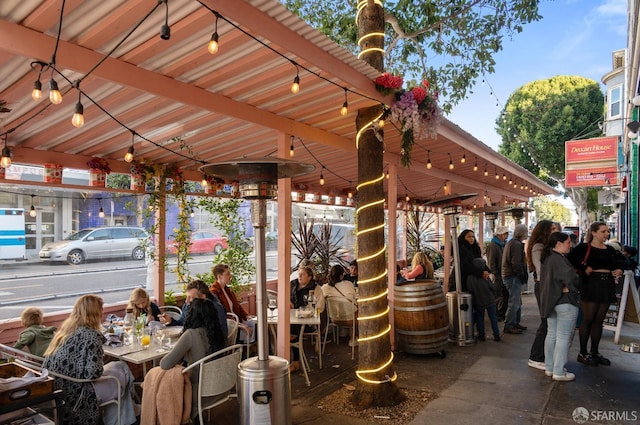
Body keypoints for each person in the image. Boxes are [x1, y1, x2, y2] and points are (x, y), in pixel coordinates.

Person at [43, 295, 137, 425]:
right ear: (96, 313)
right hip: (78, 395)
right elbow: (93, 374)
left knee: (118, 370)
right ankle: (126, 415)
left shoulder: (65, 330)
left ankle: (127, 414)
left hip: (58, 389)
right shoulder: (92, 336)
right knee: (122, 369)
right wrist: (99, 359)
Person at [568, 221, 623, 366]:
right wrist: (583, 267)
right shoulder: (584, 247)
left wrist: (619, 270)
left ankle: (595, 351)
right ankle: (583, 352)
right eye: (603, 231)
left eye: (607, 231)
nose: (606, 234)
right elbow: (570, 259)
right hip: (590, 283)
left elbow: (619, 263)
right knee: (588, 318)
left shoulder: (610, 249)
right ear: (593, 232)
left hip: (606, 284)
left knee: (599, 320)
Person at [160, 298, 227, 416]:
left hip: (198, 391)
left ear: (191, 315)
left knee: (157, 375)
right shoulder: (217, 333)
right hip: (221, 387)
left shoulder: (191, 334)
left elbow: (165, 364)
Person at [539, 232, 580, 381]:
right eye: (568, 242)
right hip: (565, 302)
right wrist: (573, 287)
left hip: (551, 302)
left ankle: (550, 367)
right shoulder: (558, 259)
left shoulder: (548, 258)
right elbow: (571, 278)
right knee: (563, 337)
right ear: (558, 244)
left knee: (552, 335)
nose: (570, 245)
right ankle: (558, 371)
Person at [526, 220, 556, 370]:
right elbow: (541, 269)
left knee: (548, 321)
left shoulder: (545, 246)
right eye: (553, 229)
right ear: (545, 231)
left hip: (546, 284)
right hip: (544, 285)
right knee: (545, 321)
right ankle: (536, 356)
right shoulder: (539, 247)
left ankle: (542, 355)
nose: (555, 231)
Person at [160, 279, 228, 336]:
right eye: (187, 296)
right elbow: (182, 322)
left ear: (203, 297)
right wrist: (170, 321)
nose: (187, 301)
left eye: (191, 297)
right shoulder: (188, 305)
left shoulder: (216, 309)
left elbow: (220, 335)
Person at [210, 264, 255, 343]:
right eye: (227, 274)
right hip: (229, 326)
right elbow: (221, 314)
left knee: (257, 325)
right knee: (253, 330)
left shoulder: (227, 290)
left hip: (236, 322)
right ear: (219, 276)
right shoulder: (214, 293)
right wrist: (240, 325)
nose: (230, 276)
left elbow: (237, 306)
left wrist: (246, 315)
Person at [289, 265, 319, 371]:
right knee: (276, 327)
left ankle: (296, 362)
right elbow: (282, 297)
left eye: (302, 275)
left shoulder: (315, 288)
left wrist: (309, 310)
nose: (299, 276)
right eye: (299, 274)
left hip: (307, 322)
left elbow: (320, 307)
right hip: (291, 319)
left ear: (310, 277)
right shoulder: (292, 284)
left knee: (294, 328)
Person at [502, 223, 529, 334]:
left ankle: (515, 322)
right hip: (512, 276)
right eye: (526, 232)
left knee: (517, 301)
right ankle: (509, 325)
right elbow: (516, 263)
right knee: (514, 302)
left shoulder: (512, 243)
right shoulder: (516, 245)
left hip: (510, 275)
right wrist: (522, 275)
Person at [467, 258, 501, 342]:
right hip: (490, 299)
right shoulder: (485, 276)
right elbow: (492, 287)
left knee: (480, 318)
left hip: (479, 300)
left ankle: (481, 335)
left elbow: (470, 290)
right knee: (493, 317)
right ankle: (496, 335)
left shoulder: (470, 277)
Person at [486, 226, 510, 321]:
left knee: (504, 295)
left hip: (503, 274)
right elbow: (491, 263)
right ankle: (495, 314)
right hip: (497, 275)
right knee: (497, 296)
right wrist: (496, 274)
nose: (507, 235)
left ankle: (500, 314)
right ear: (499, 235)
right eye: (505, 233)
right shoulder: (493, 246)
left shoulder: (503, 244)